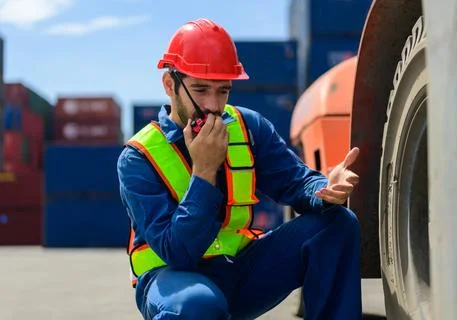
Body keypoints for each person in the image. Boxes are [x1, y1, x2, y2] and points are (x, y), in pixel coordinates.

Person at [117, 18, 362, 320]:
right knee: (197, 305)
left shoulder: (248, 127)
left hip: (240, 271)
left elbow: (295, 182)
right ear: (170, 85)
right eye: (200, 89)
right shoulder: (139, 158)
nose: (213, 105)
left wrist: (323, 189)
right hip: (174, 280)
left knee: (337, 224)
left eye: (223, 91)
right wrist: (205, 171)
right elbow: (178, 252)